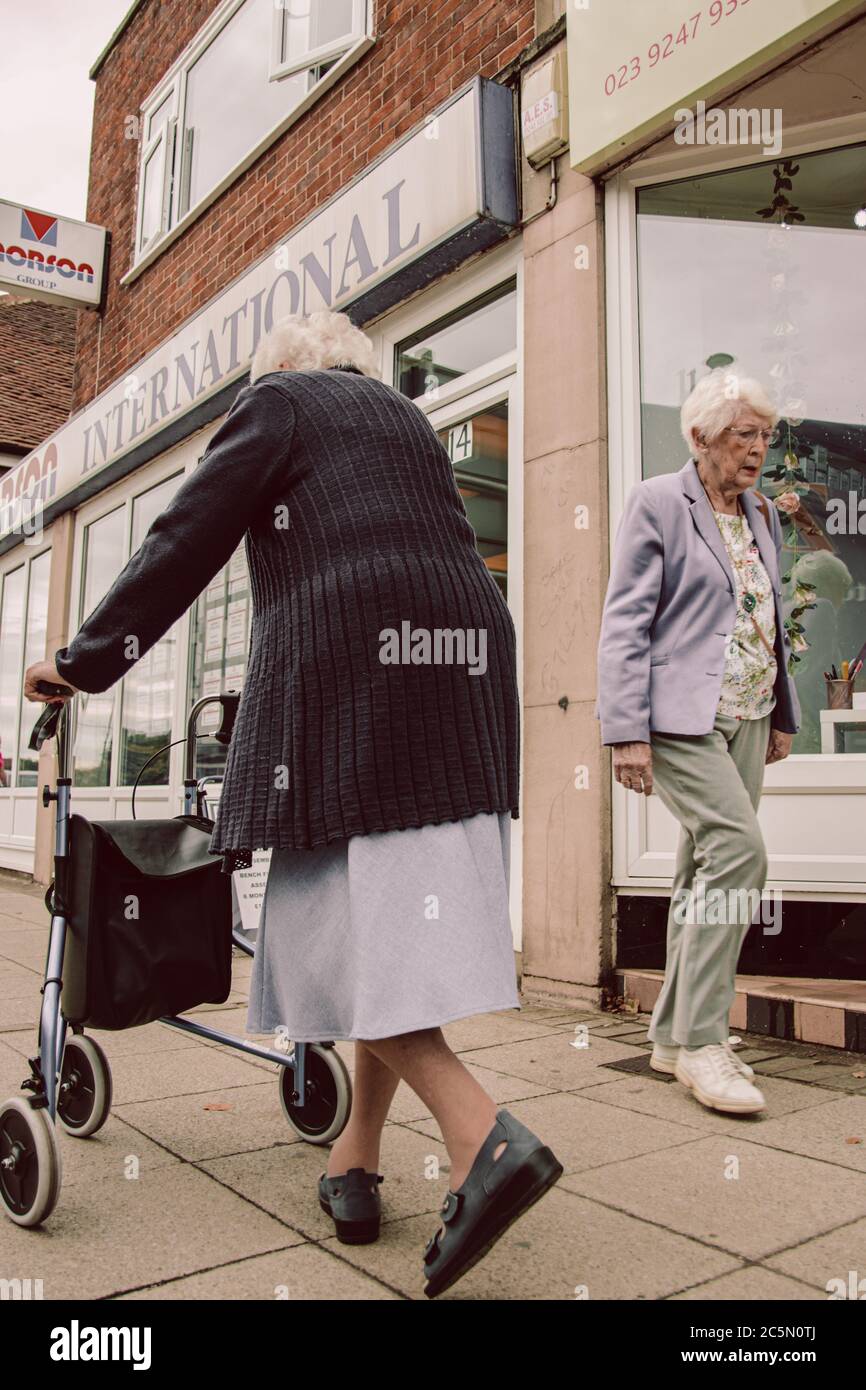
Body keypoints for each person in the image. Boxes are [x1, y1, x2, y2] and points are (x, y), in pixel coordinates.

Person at [24, 308, 561, 1298]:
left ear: (279, 374)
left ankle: (481, 1137)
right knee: (384, 936)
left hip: (353, 678)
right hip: (461, 675)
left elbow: (181, 541)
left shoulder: (276, 400)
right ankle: (352, 1155)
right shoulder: (400, 420)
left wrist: (83, 659)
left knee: (328, 950)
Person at [595, 370, 801, 1116]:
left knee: (703, 868)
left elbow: (767, 618)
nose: (757, 450)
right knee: (740, 853)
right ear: (700, 438)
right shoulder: (658, 501)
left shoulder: (764, 514)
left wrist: (781, 714)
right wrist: (624, 731)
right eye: (743, 435)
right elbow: (626, 618)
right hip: (679, 715)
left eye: (765, 436)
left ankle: (670, 1035)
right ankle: (702, 1041)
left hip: (746, 713)